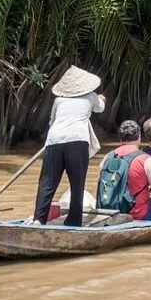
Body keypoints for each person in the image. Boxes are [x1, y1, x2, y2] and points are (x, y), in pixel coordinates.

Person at [32, 65, 106, 226]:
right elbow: (100, 108)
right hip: (77, 141)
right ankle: (73, 221)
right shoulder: (91, 96)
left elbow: (52, 121)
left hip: (54, 140)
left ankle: (39, 219)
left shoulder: (59, 100)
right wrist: (102, 99)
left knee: (47, 182)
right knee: (77, 183)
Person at [98, 120, 151, 220]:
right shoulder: (145, 159)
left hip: (110, 211)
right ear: (139, 137)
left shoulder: (107, 157)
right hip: (137, 213)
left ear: (120, 138)